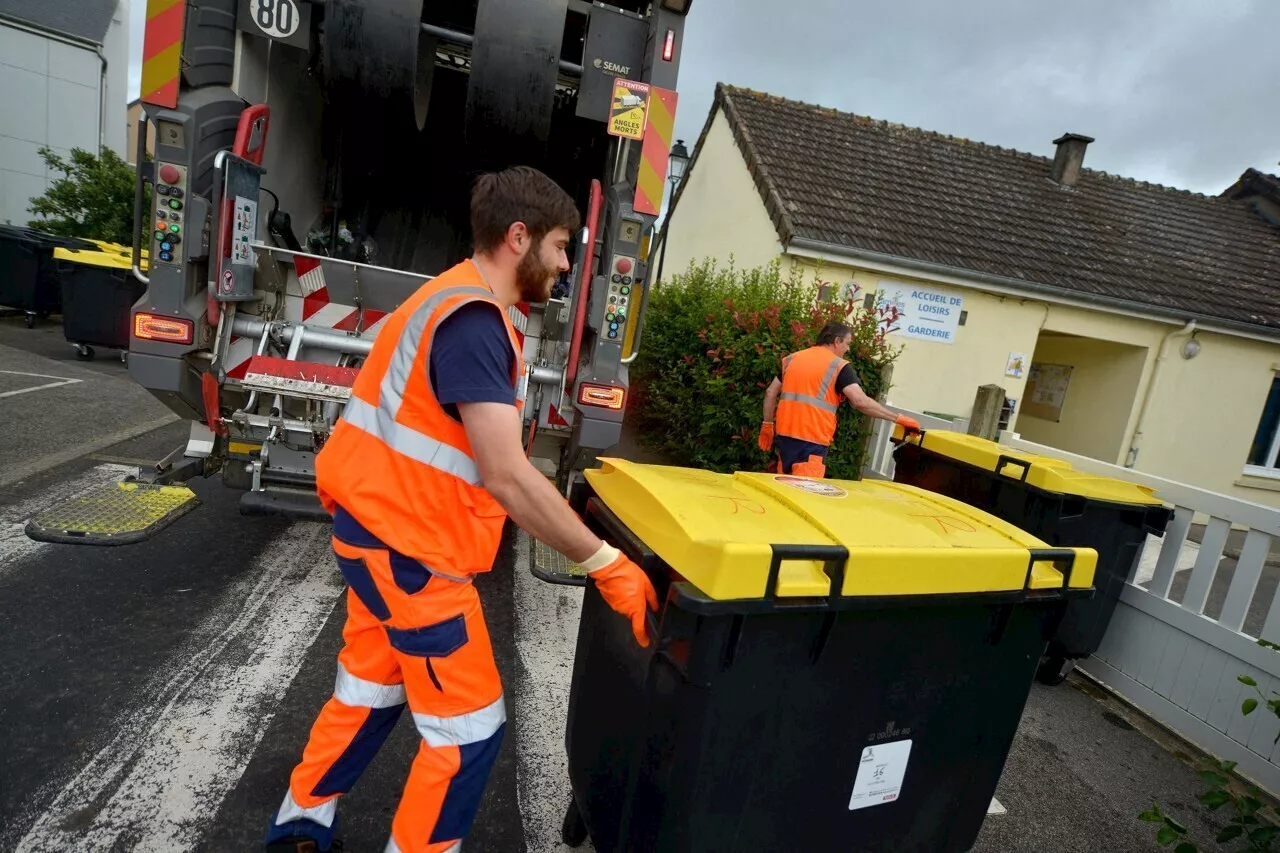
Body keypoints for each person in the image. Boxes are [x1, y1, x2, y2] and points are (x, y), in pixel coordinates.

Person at [264, 166, 659, 853]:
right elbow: (506, 475)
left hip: (375, 530)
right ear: (518, 238)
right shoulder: (475, 324)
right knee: (470, 729)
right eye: (562, 247)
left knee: (369, 688)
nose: (567, 265)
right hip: (413, 555)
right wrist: (605, 561)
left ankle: (300, 825)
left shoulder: (446, 297)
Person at [758, 321, 920, 478]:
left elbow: (771, 392)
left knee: (785, 492)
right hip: (811, 443)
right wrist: (897, 418)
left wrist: (767, 424)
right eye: (847, 343)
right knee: (803, 496)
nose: (848, 349)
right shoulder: (838, 366)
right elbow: (860, 401)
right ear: (837, 341)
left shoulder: (793, 359)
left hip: (785, 440)